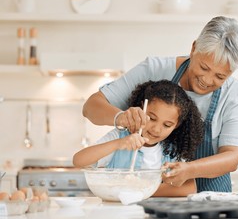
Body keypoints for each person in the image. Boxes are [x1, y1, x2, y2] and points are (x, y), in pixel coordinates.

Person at [82, 16, 238, 193]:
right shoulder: (153, 69)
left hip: (212, 194)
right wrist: (120, 117)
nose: (207, 80)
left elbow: (232, 156)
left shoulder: (234, 94)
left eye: (220, 76)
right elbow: (91, 107)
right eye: (204, 67)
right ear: (193, 49)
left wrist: (189, 170)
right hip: (155, 195)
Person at [73, 80, 204, 197]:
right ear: (142, 108)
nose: (156, 129)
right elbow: (79, 161)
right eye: (152, 118)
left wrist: (138, 190)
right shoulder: (121, 136)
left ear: (176, 126)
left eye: (167, 125)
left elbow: (189, 188)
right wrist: (118, 144)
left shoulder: (172, 149)